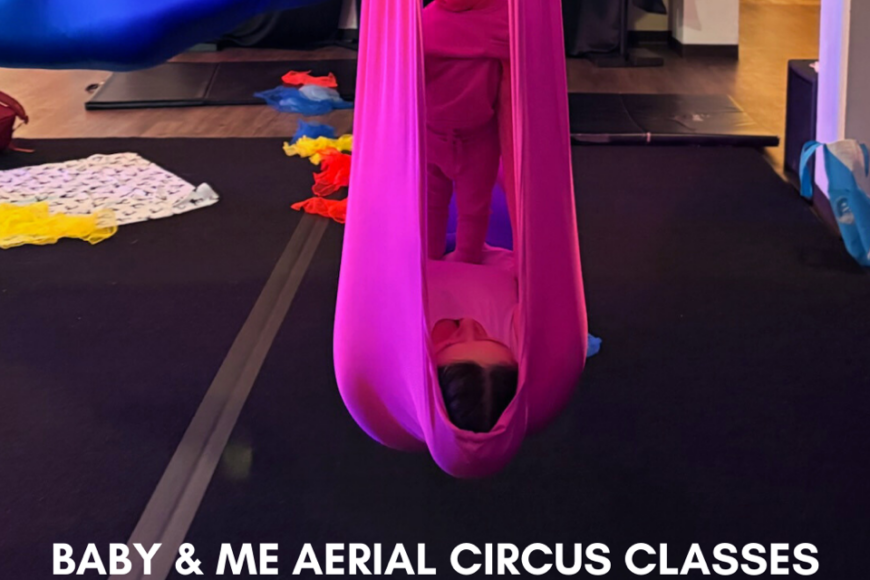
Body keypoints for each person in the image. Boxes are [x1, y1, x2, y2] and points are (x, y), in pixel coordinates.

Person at [422, 0, 509, 264]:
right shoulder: (502, 18)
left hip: (454, 134)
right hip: (465, 134)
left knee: (441, 205)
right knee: (468, 209)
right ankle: (459, 259)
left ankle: (445, 257)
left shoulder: (426, 21)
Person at [428, 249, 518, 433]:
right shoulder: (515, 334)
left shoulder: (409, 322)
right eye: (489, 339)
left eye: (450, 343)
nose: (468, 322)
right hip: (480, 254)